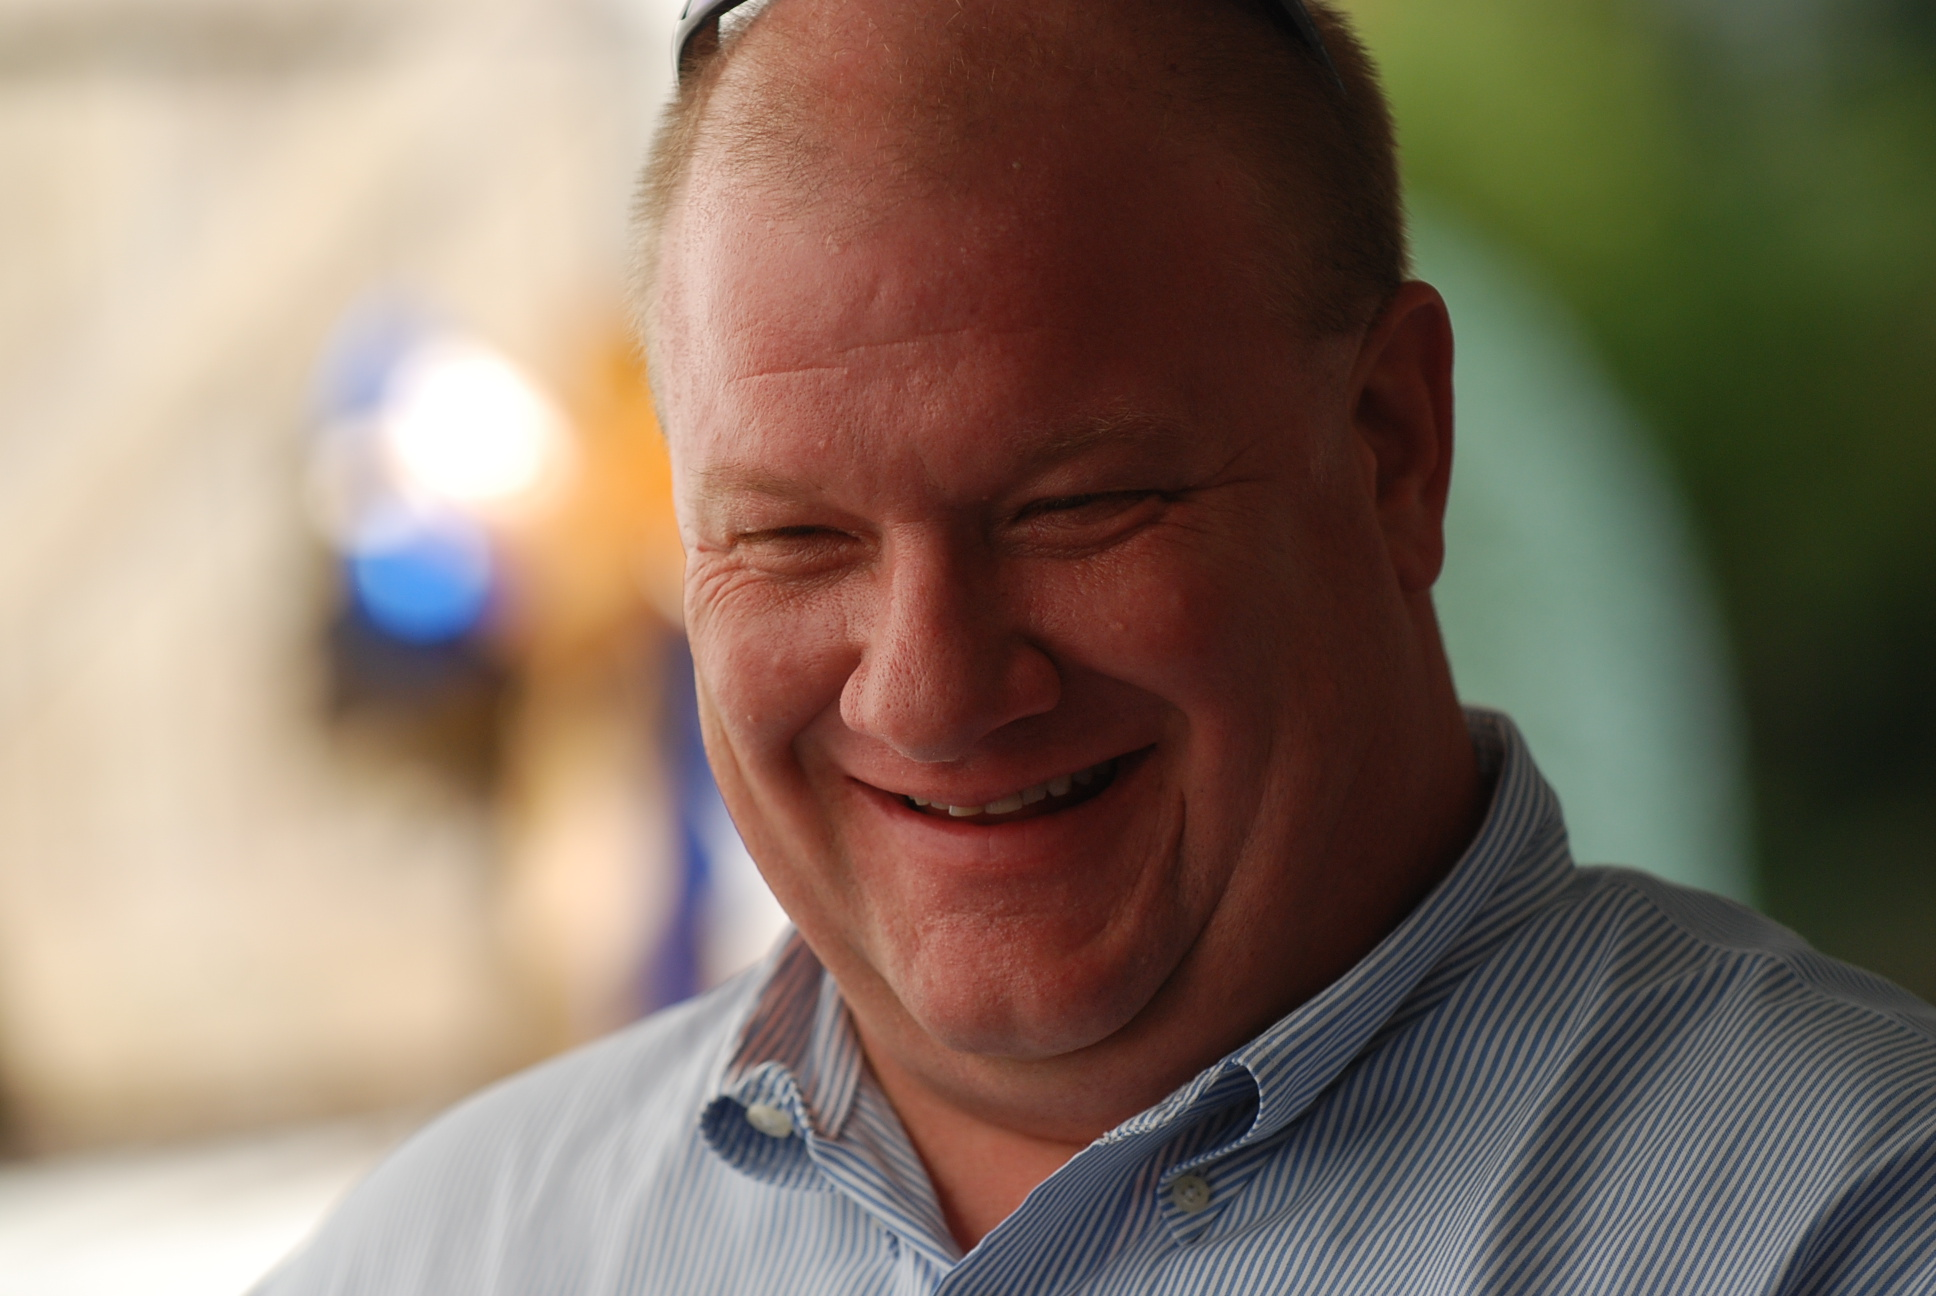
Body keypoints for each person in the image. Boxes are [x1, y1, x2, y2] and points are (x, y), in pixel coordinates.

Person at [258, 0, 1936, 1291]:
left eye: (1075, 507)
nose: (928, 689)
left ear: (1394, 448)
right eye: (794, 539)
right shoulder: (454, 1252)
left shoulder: (1847, 1226)